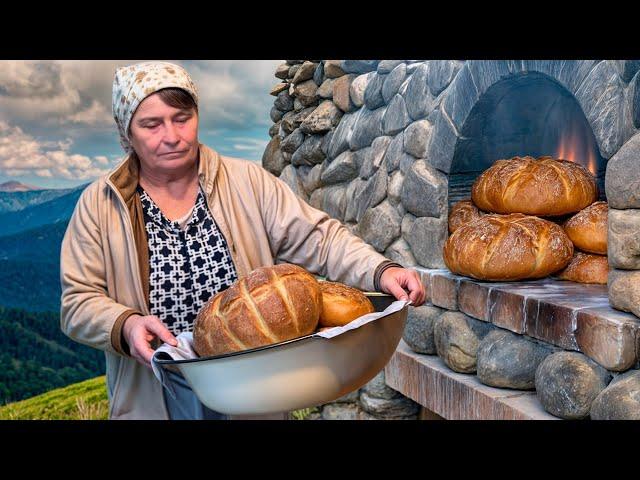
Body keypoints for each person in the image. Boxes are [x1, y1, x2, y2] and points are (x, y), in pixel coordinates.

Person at [60, 61, 426, 420]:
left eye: (181, 118)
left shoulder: (246, 181)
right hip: (157, 393)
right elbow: (77, 301)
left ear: (197, 116)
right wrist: (125, 324)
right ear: (127, 133)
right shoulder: (101, 204)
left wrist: (380, 270)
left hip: (253, 393)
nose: (171, 136)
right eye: (151, 125)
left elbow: (321, 239)